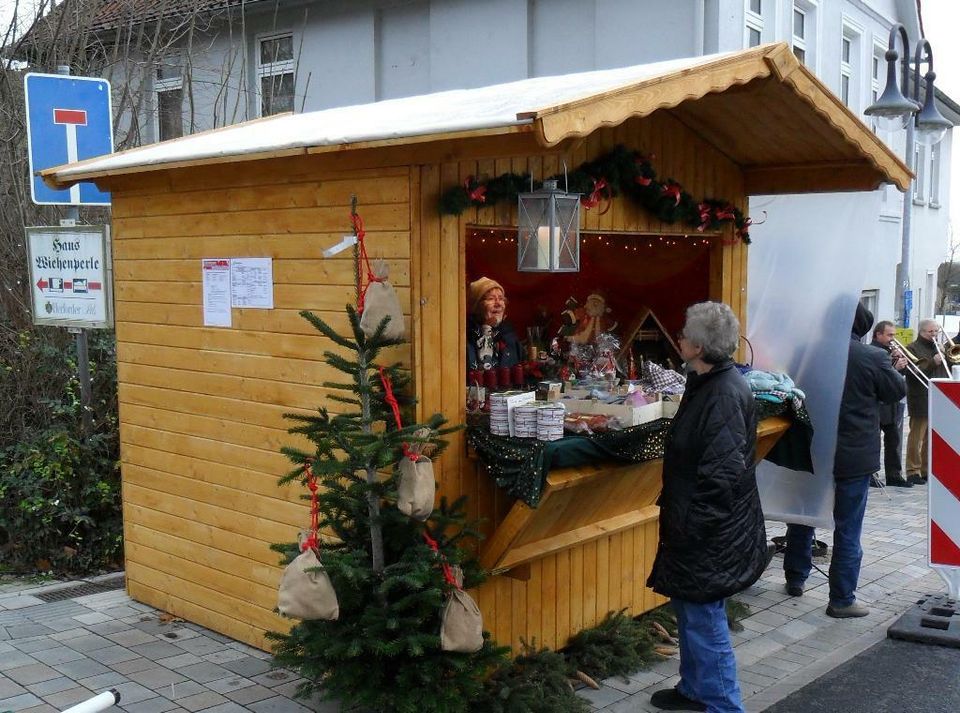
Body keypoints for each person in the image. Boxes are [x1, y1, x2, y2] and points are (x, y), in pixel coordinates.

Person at [647, 301, 767, 713]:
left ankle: (723, 704)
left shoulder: (723, 395)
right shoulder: (705, 383)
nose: (678, 338)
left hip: (709, 530)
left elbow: (721, 479)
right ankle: (695, 691)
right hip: (696, 523)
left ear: (698, 346)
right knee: (691, 611)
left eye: (683, 334)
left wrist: (691, 528)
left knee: (705, 619)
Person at [783, 304, 905, 618]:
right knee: (848, 528)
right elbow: (895, 392)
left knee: (802, 515)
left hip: (811, 450)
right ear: (862, 326)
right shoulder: (873, 357)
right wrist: (897, 369)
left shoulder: (804, 352)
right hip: (854, 456)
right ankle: (841, 599)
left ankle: (795, 578)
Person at [905, 319, 947, 485]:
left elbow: (949, 367)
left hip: (937, 396)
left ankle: (925, 469)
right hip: (920, 397)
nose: (934, 335)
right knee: (917, 437)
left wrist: (946, 357)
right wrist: (933, 362)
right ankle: (912, 470)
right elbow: (914, 372)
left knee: (931, 436)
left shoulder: (939, 347)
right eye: (931, 332)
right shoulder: (912, 348)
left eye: (936, 332)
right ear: (922, 331)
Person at [870, 320, 911, 487]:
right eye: (889, 335)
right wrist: (894, 368)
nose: (892, 339)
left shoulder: (889, 351)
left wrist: (902, 365)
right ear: (878, 334)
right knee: (873, 441)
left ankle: (894, 474)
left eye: (893, 335)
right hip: (877, 403)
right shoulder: (873, 352)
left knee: (894, 440)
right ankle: (871, 474)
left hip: (892, 403)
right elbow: (879, 378)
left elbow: (899, 376)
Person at [466, 277, 524, 373]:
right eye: (491, 299)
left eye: (501, 299)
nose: (498, 304)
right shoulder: (467, 338)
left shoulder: (510, 336)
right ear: (476, 307)